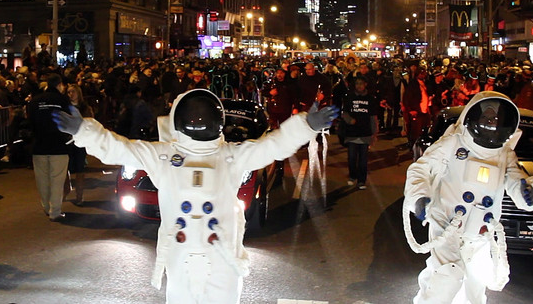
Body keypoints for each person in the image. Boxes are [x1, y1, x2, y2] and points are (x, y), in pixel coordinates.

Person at [52, 89, 338, 304]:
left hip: (214, 259)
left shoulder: (202, 156)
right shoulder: (208, 156)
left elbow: (274, 145)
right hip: (190, 259)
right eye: (194, 115)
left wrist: (306, 126)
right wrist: (84, 132)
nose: (198, 120)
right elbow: (119, 149)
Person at [403, 91, 533, 304]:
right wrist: (420, 197)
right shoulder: (453, 143)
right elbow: (420, 169)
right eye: (486, 117)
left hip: (480, 233)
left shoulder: (504, 154)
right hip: (447, 225)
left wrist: (527, 193)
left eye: (495, 118)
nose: (490, 122)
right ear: (473, 116)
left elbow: (516, 180)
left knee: (474, 289)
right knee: (446, 278)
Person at [27, 73, 70, 221]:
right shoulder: (63, 100)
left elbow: (30, 122)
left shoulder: (35, 101)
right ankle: (55, 211)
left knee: (42, 180)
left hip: (39, 145)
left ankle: (46, 207)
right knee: (57, 180)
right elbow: (69, 120)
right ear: (59, 84)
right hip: (59, 145)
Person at [340, 75, 378, 190]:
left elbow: (373, 117)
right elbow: (344, 112)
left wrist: (374, 133)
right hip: (352, 133)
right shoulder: (349, 97)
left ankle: (361, 180)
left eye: (361, 83)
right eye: (357, 84)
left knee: (363, 159)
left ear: (365, 85)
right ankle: (352, 176)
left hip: (365, 132)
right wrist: (349, 120)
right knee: (352, 158)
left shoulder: (370, 99)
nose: (359, 86)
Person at [67, 83, 93, 205]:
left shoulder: (84, 108)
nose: (71, 94)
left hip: (80, 141)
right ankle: (66, 190)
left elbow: (89, 122)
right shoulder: (65, 107)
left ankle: (79, 195)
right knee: (65, 168)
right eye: (69, 92)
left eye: (73, 91)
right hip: (68, 141)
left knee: (80, 169)